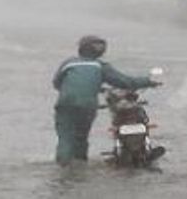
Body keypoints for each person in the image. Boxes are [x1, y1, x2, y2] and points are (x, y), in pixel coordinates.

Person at [51, 35, 160, 166]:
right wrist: (148, 81)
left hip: (65, 104)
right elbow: (124, 81)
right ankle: (79, 166)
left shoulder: (68, 63)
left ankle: (62, 167)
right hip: (88, 106)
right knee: (81, 137)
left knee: (65, 137)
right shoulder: (100, 66)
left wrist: (87, 88)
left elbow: (57, 83)